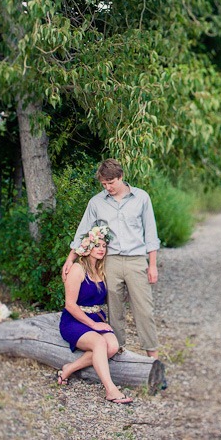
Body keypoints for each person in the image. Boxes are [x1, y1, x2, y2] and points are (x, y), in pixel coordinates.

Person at [62, 158, 160, 359]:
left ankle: (153, 359)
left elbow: (151, 234)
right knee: (114, 310)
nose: (108, 188)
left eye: (111, 183)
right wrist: (69, 259)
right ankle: (118, 353)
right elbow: (83, 233)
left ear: (121, 177)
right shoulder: (96, 202)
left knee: (144, 310)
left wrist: (152, 265)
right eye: (104, 184)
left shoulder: (141, 198)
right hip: (110, 261)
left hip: (136, 260)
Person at [58, 223, 133, 404]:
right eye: (97, 245)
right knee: (99, 342)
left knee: (112, 346)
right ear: (87, 246)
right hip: (74, 320)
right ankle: (111, 390)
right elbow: (70, 304)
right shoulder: (77, 269)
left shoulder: (102, 269)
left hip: (95, 317)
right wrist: (94, 325)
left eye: (104, 246)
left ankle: (69, 368)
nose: (101, 249)